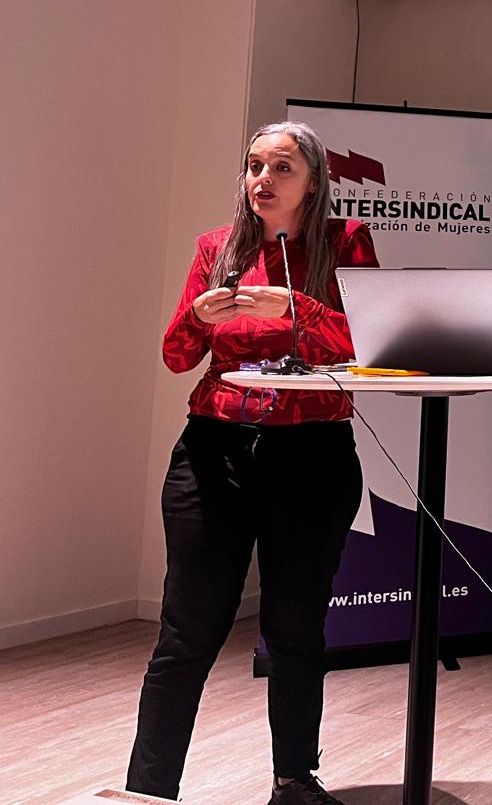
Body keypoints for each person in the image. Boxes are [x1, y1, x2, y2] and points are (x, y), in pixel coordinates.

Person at [127, 121, 378, 805]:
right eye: (254, 166)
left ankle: (294, 783)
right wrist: (199, 319)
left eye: (282, 167)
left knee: (295, 628)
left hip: (313, 454)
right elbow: (177, 357)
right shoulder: (218, 248)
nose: (262, 180)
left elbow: (371, 344)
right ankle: (147, 792)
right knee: (187, 632)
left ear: (315, 182)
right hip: (215, 451)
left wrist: (299, 310)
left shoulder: (344, 243)